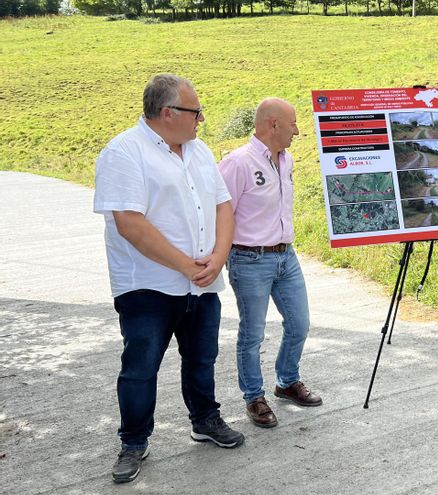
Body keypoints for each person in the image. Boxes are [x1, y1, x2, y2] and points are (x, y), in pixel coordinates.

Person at [94, 74, 244, 484]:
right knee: (140, 367)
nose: (201, 119)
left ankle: (205, 420)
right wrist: (185, 265)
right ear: (168, 113)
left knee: (202, 358)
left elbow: (223, 206)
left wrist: (219, 257)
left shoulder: (200, 151)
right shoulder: (124, 152)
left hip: (202, 281)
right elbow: (129, 223)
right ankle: (133, 441)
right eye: (196, 112)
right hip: (147, 285)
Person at [219, 97, 321, 429]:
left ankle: (287, 381)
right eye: (292, 124)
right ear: (273, 124)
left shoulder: (287, 160)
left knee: (299, 323)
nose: (297, 131)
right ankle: (254, 396)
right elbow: (221, 214)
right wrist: (220, 256)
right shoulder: (237, 163)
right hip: (250, 259)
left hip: (285, 256)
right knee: (252, 334)